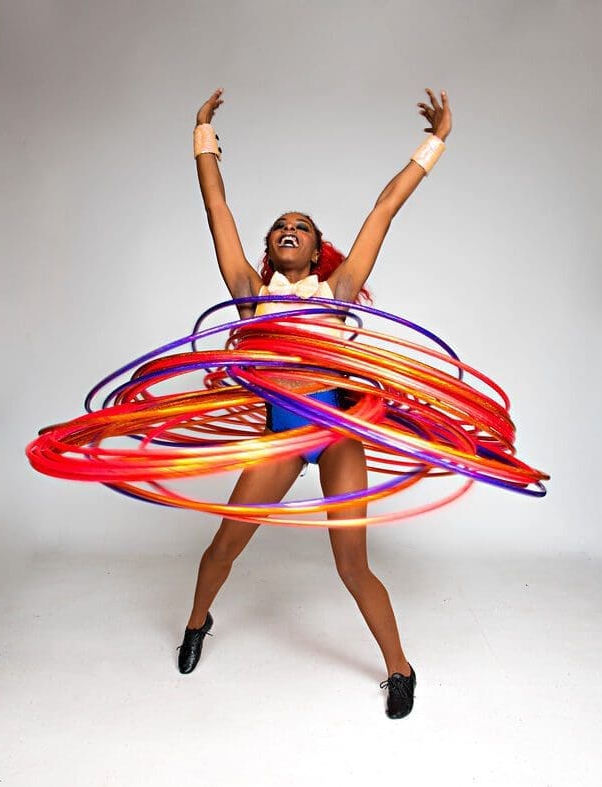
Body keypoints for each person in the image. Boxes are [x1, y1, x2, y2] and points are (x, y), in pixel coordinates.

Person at [178, 86, 452, 719]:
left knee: (352, 565)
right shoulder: (249, 290)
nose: (287, 231)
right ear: (269, 247)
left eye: (300, 226)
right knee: (225, 545)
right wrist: (203, 135)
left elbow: (385, 207)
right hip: (282, 434)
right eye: (279, 227)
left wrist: (436, 140)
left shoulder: (341, 287)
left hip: (335, 432)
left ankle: (399, 668)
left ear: (317, 244)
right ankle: (196, 623)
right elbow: (215, 204)